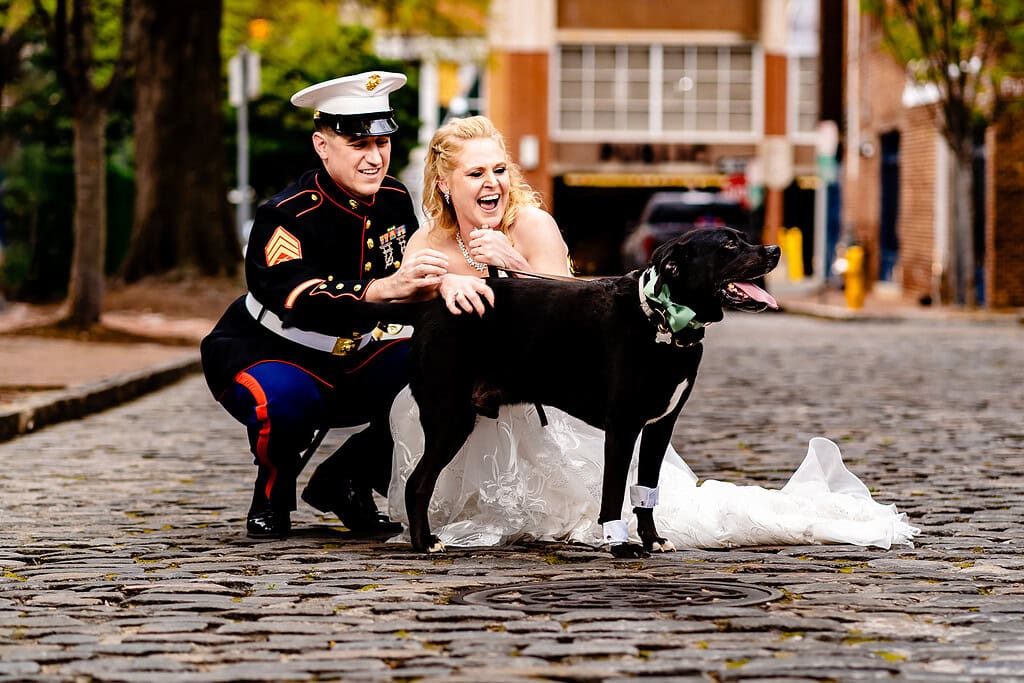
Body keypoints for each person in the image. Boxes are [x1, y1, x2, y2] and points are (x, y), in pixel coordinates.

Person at [384, 115, 920, 551]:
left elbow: (571, 312)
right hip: (471, 376)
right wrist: (439, 281)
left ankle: (629, 514)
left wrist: (513, 261)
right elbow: (408, 310)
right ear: (443, 183)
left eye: (499, 170)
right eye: (476, 173)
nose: (492, 183)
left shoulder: (531, 225)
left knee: (560, 506)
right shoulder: (428, 240)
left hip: (556, 391)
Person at [201, 71, 486, 539]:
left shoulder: (394, 198)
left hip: (354, 353)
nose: (375, 158)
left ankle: (345, 479)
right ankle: (272, 491)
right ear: (322, 145)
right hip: (270, 347)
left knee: (454, 376)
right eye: (358, 144)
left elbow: (406, 279)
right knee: (287, 403)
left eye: (382, 144)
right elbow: (293, 296)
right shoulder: (286, 214)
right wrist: (379, 291)